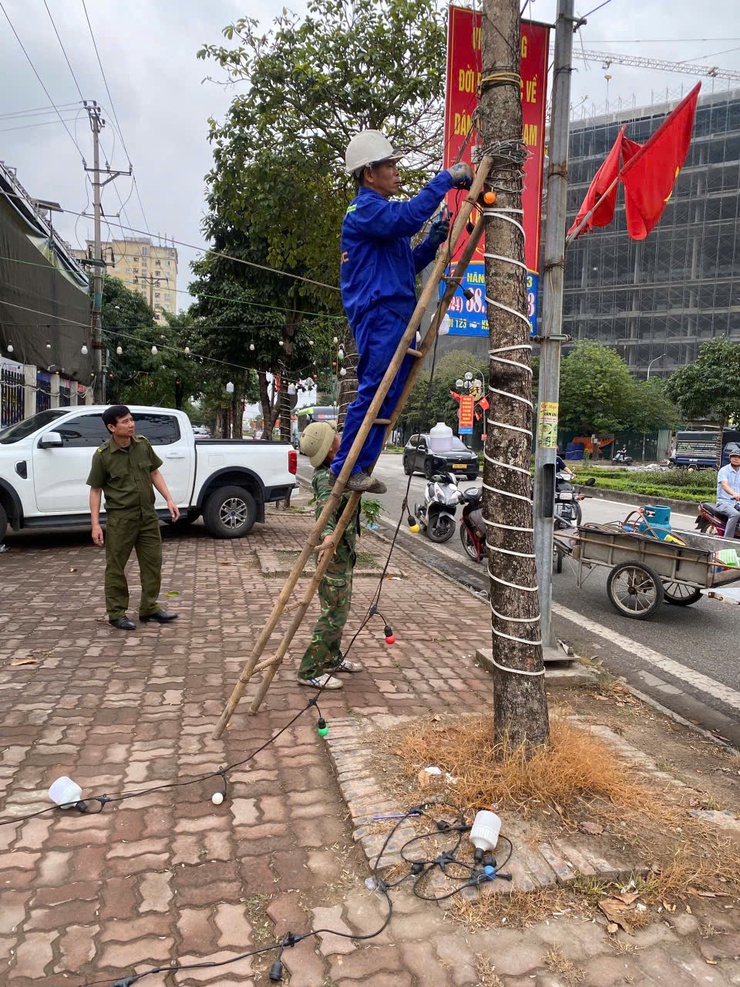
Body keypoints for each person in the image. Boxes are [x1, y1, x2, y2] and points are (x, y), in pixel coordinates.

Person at [329, 130, 474, 495]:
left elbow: (404, 266)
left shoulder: (380, 220)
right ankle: (344, 468)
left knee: (389, 397)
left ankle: (359, 467)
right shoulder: (365, 210)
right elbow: (408, 217)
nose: (396, 171)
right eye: (389, 165)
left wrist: (432, 242)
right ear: (368, 173)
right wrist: (446, 178)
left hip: (395, 310)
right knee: (375, 390)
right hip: (379, 313)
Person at [87, 405, 180, 630]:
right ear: (111, 427)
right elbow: (95, 490)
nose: (131, 424)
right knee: (116, 567)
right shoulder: (103, 456)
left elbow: (154, 473)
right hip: (121, 519)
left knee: (152, 564)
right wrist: (95, 524)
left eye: (131, 420)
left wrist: (168, 499)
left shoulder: (142, 444)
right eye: (125, 422)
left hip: (147, 516)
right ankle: (116, 613)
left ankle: (149, 608)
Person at [296, 421, 363, 690]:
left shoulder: (338, 467)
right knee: (332, 614)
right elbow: (324, 509)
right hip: (333, 554)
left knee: (340, 610)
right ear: (330, 449)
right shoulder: (325, 477)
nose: (338, 436)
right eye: (334, 437)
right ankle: (309, 669)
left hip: (343, 553)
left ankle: (332, 658)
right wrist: (327, 537)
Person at [715, 445, 740, 540]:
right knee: (735, 514)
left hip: (737, 503)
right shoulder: (724, 470)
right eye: (734, 457)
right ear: (730, 458)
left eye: (739, 457)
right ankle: (727, 540)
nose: (736, 459)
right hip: (724, 503)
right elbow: (724, 485)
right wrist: (734, 494)